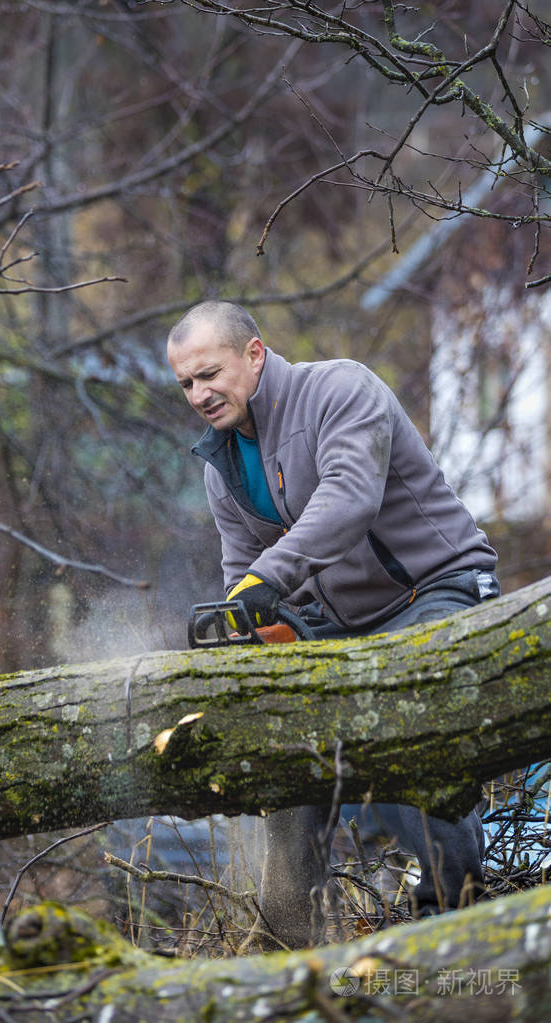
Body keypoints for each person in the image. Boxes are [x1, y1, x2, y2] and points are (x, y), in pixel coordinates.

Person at [167, 299, 499, 948]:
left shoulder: (340, 390)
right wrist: (246, 630)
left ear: (254, 354)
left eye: (210, 374)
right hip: (338, 626)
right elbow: (243, 573)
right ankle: (287, 946)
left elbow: (349, 498)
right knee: (283, 750)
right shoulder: (222, 465)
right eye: (186, 384)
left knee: (403, 716)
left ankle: (455, 923)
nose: (200, 394)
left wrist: (268, 580)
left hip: (432, 590)